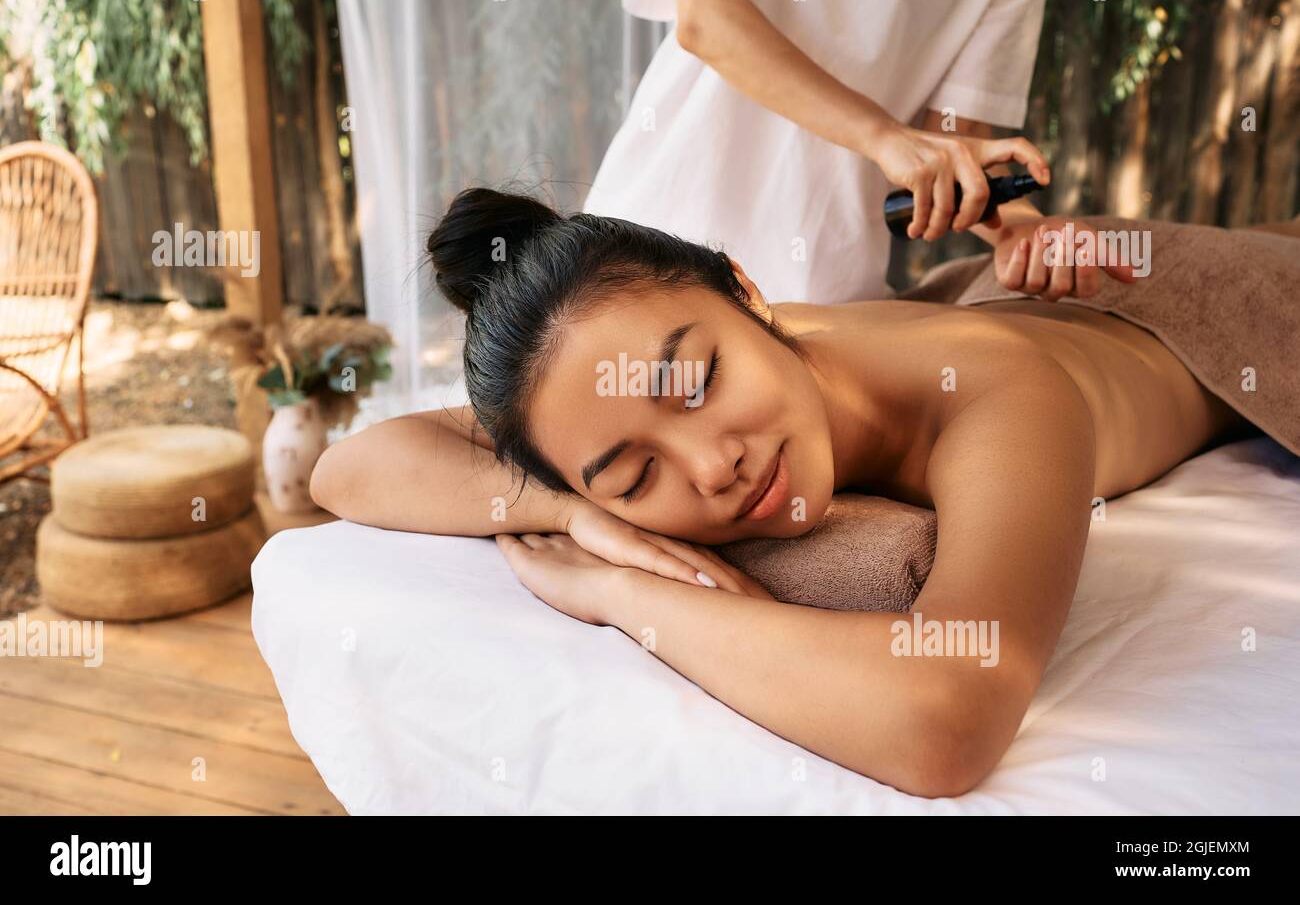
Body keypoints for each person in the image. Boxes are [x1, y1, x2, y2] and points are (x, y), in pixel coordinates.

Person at [310, 189, 1275, 797]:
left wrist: (619, 593)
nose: (710, 466)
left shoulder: (1002, 393)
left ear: (746, 292)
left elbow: (945, 720)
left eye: (696, 384)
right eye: (636, 474)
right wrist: (571, 510)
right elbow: (347, 468)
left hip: (1199, 306)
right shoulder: (607, 388)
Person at [583, 0, 1062, 304]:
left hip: (823, 296)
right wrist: (885, 137)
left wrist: (1021, 231)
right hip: (651, 241)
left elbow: (951, 139)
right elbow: (706, 16)